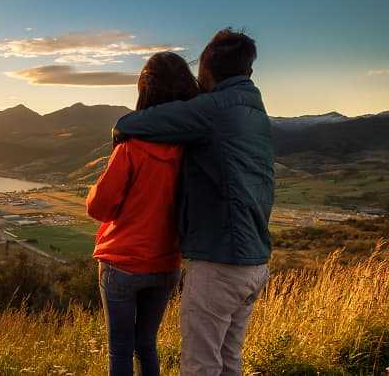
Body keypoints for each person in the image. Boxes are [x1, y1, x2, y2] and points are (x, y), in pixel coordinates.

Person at [112, 28, 274, 376]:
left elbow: (132, 122)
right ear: (248, 71)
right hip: (254, 261)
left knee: (200, 364)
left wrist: (120, 135)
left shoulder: (214, 109)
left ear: (208, 70)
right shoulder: (254, 110)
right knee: (229, 360)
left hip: (221, 261)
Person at [86, 51, 199, 376]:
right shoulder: (191, 150)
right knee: (146, 344)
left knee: (119, 350)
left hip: (122, 262)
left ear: (145, 90)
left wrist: (93, 189)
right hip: (166, 263)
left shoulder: (130, 147)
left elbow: (99, 207)